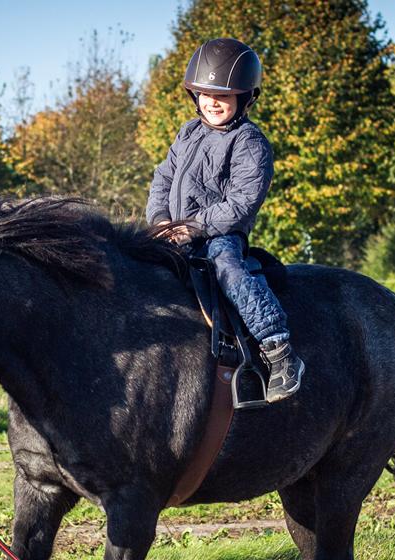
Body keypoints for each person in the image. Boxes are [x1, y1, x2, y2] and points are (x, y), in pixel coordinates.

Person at [146, 37, 304, 403]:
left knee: (228, 268)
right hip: (172, 233)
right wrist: (159, 219)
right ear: (194, 95)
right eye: (205, 94)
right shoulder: (188, 132)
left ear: (245, 99)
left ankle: (278, 350)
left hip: (218, 235)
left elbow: (241, 203)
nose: (213, 102)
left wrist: (193, 227)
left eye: (224, 96)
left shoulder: (250, 142)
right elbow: (163, 178)